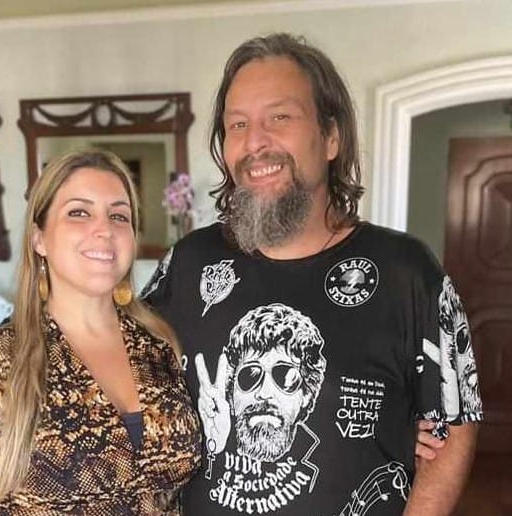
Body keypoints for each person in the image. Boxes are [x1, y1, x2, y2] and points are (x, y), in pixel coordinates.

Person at [143, 33, 482, 515]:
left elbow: (456, 419)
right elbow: (117, 377)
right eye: (237, 124)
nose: (254, 142)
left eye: (279, 117)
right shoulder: (188, 265)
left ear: (331, 138)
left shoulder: (406, 273)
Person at [0, 150, 202, 514]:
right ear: (39, 239)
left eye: (119, 216)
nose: (104, 229)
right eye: (79, 212)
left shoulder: (160, 347)